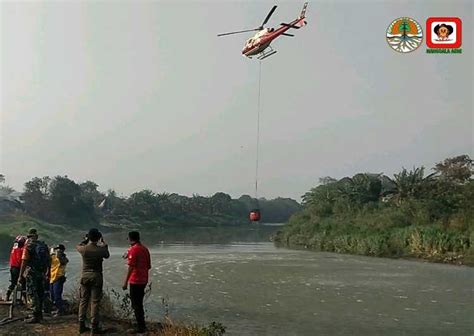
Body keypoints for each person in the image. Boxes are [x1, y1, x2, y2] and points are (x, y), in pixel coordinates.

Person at [76, 228, 109, 334]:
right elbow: (107, 255)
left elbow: (77, 246)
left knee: (83, 300)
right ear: (98, 238)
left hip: (85, 276)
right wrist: (104, 244)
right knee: (95, 302)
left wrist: (85, 240)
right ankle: (94, 327)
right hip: (96, 276)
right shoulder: (100, 250)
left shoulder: (84, 249)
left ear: (89, 237)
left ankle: (81, 324)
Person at [18, 228, 50, 323]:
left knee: (32, 293)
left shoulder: (28, 246)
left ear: (29, 237)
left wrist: (20, 275)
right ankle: (40, 315)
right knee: (40, 292)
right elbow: (49, 260)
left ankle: (35, 315)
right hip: (41, 273)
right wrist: (47, 271)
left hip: (32, 273)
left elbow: (24, 261)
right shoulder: (43, 245)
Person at [122, 231, 151, 334]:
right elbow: (148, 266)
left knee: (136, 304)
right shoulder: (145, 249)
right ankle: (141, 324)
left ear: (130, 239)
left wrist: (125, 282)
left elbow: (131, 267)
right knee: (139, 303)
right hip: (144, 279)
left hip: (135, 280)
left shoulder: (134, 250)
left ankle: (141, 327)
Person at [6, 235, 26, 302]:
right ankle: (19, 299)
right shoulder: (20, 249)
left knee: (14, 283)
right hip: (17, 268)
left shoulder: (14, 247)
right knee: (21, 284)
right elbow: (20, 259)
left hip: (12, 267)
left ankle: (9, 296)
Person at [50, 244, 69, 316]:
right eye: (56, 249)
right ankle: (58, 309)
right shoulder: (53, 256)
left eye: (59, 249)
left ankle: (60, 310)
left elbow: (64, 261)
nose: (57, 250)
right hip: (52, 277)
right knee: (52, 295)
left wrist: (59, 255)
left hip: (59, 278)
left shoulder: (63, 258)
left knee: (57, 295)